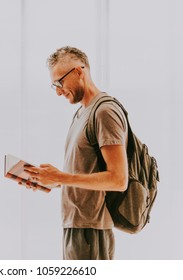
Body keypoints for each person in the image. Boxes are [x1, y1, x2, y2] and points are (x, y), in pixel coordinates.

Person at [24, 46, 129, 260]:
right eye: (54, 85)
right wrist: (51, 181)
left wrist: (61, 177)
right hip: (76, 226)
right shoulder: (82, 112)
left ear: (79, 72)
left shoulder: (104, 112)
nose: (58, 91)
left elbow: (118, 180)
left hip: (91, 230)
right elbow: (86, 172)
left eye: (60, 82)